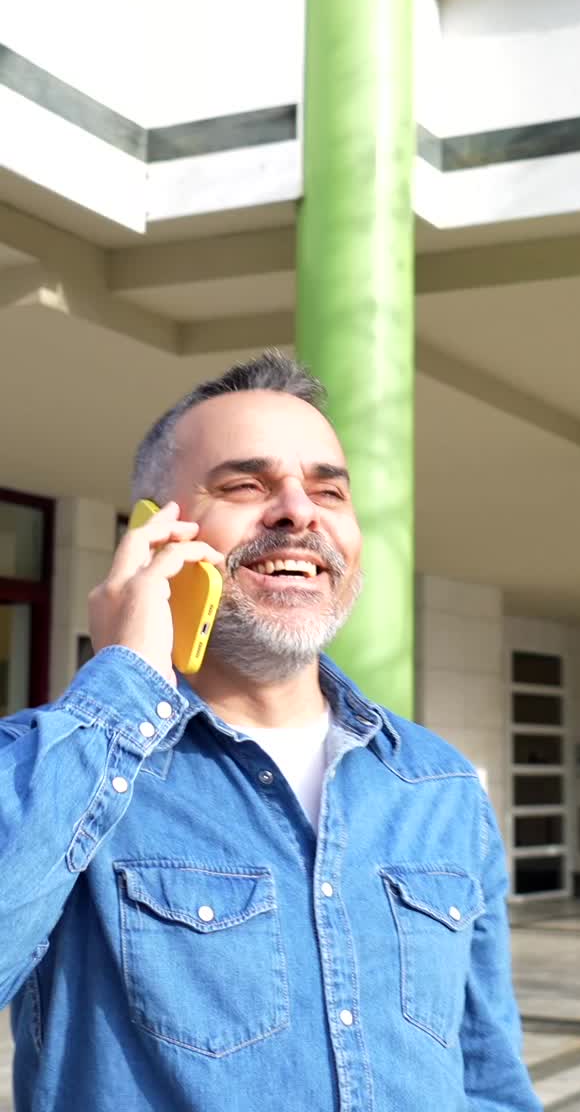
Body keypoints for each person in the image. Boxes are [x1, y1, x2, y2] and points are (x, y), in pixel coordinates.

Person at [0, 350, 541, 1111]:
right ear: (156, 534)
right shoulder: (48, 767)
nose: (298, 511)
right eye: (246, 484)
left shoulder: (439, 783)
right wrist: (124, 678)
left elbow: (487, 1077)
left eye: (328, 490)